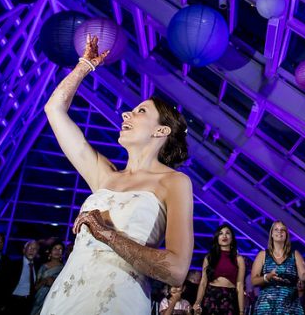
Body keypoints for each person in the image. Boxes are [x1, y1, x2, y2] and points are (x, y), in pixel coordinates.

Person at [41, 34, 194, 314]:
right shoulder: (105, 176)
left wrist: (106, 234)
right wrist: (85, 64)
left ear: (161, 131)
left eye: (140, 111)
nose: (126, 114)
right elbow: (54, 109)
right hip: (66, 297)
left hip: (117, 300)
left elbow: (176, 270)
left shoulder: (174, 182)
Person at [251, 221, 305, 314]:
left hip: (290, 307)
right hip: (266, 308)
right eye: (276, 230)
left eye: (282, 230)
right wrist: (267, 277)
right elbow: (254, 281)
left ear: (286, 235)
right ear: (272, 234)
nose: (279, 232)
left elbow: (303, 276)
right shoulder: (262, 255)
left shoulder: (295, 255)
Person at [193, 223, 245, 314]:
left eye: (227, 233)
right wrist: (197, 302)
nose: (224, 236)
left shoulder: (239, 259)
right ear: (217, 238)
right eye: (221, 233)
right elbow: (203, 282)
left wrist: (241, 311)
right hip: (211, 296)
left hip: (230, 297)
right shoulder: (209, 257)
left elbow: (240, 286)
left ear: (232, 238)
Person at [2, 240, 40, 314]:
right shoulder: (13, 264)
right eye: (29, 247)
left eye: (35, 249)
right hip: (13, 301)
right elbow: (3, 284)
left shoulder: (38, 266)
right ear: (24, 250)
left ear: (37, 253)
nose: (32, 250)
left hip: (28, 303)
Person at [30, 241, 65, 315]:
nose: (57, 251)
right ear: (50, 252)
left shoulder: (65, 269)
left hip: (55, 300)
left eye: (60, 249)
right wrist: (44, 281)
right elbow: (35, 287)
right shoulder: (43, 267)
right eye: (55, 248)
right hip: (39, 299)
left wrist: (54, 283)